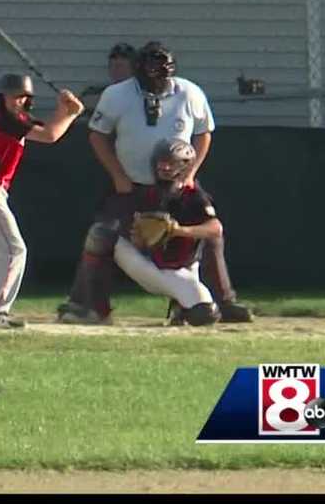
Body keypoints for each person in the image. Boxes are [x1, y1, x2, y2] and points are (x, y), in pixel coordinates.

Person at [56, 41, 252, 325]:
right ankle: (88, 304)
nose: (155, 80)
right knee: (100, 235)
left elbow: (203, 133)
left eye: (161, 74)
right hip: (132, 184)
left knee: (210, 235)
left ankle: (223, 301)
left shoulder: (190, 93)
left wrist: (190, 174)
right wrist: (118, 177)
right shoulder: (117, 95)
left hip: (177, 186)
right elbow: (97, 135)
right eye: (149, 74)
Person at [0, 74, 84, 329]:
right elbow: (51, 135)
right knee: (13, 251)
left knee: (9, 251)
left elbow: (50, 129)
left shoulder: (17, 120)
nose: (17, 100)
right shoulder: (8, 119)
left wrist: (64, 111)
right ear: (2, 98)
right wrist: (70, 113)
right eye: (12, 96)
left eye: (22, 96)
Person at [114, 139, 224, 327]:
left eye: (171, 163)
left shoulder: (193, 196)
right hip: (150, 263)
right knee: (102, 236)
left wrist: (177, 231)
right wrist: (139, 237)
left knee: (204, 314)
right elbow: (137, 237)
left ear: (185, 166)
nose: (164, 167)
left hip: (183, 267)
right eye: (161, 162)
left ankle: (181, 304)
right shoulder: (148, 195)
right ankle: (90, 304)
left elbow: (216, 229)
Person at [79, 43, 135, 114]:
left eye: (121, 66)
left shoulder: (140, 96)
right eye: (114, 66)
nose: (117, 69)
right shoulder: (92, 94)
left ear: (134, 68)